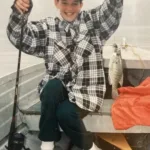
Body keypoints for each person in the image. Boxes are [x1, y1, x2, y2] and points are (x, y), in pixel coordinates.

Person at [7, 0, 123, 149]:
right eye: (65, 3)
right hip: (57, 90)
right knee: (51, 86)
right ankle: (47, 143)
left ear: (81, 5)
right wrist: (19, 12)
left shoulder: (95, 23)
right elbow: (19, 37)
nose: (69, 8)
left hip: (85, 93)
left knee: (64, 113)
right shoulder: (46, 27)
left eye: (74, 3)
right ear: (56, 3)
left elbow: (113, 10)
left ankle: (90, 147)